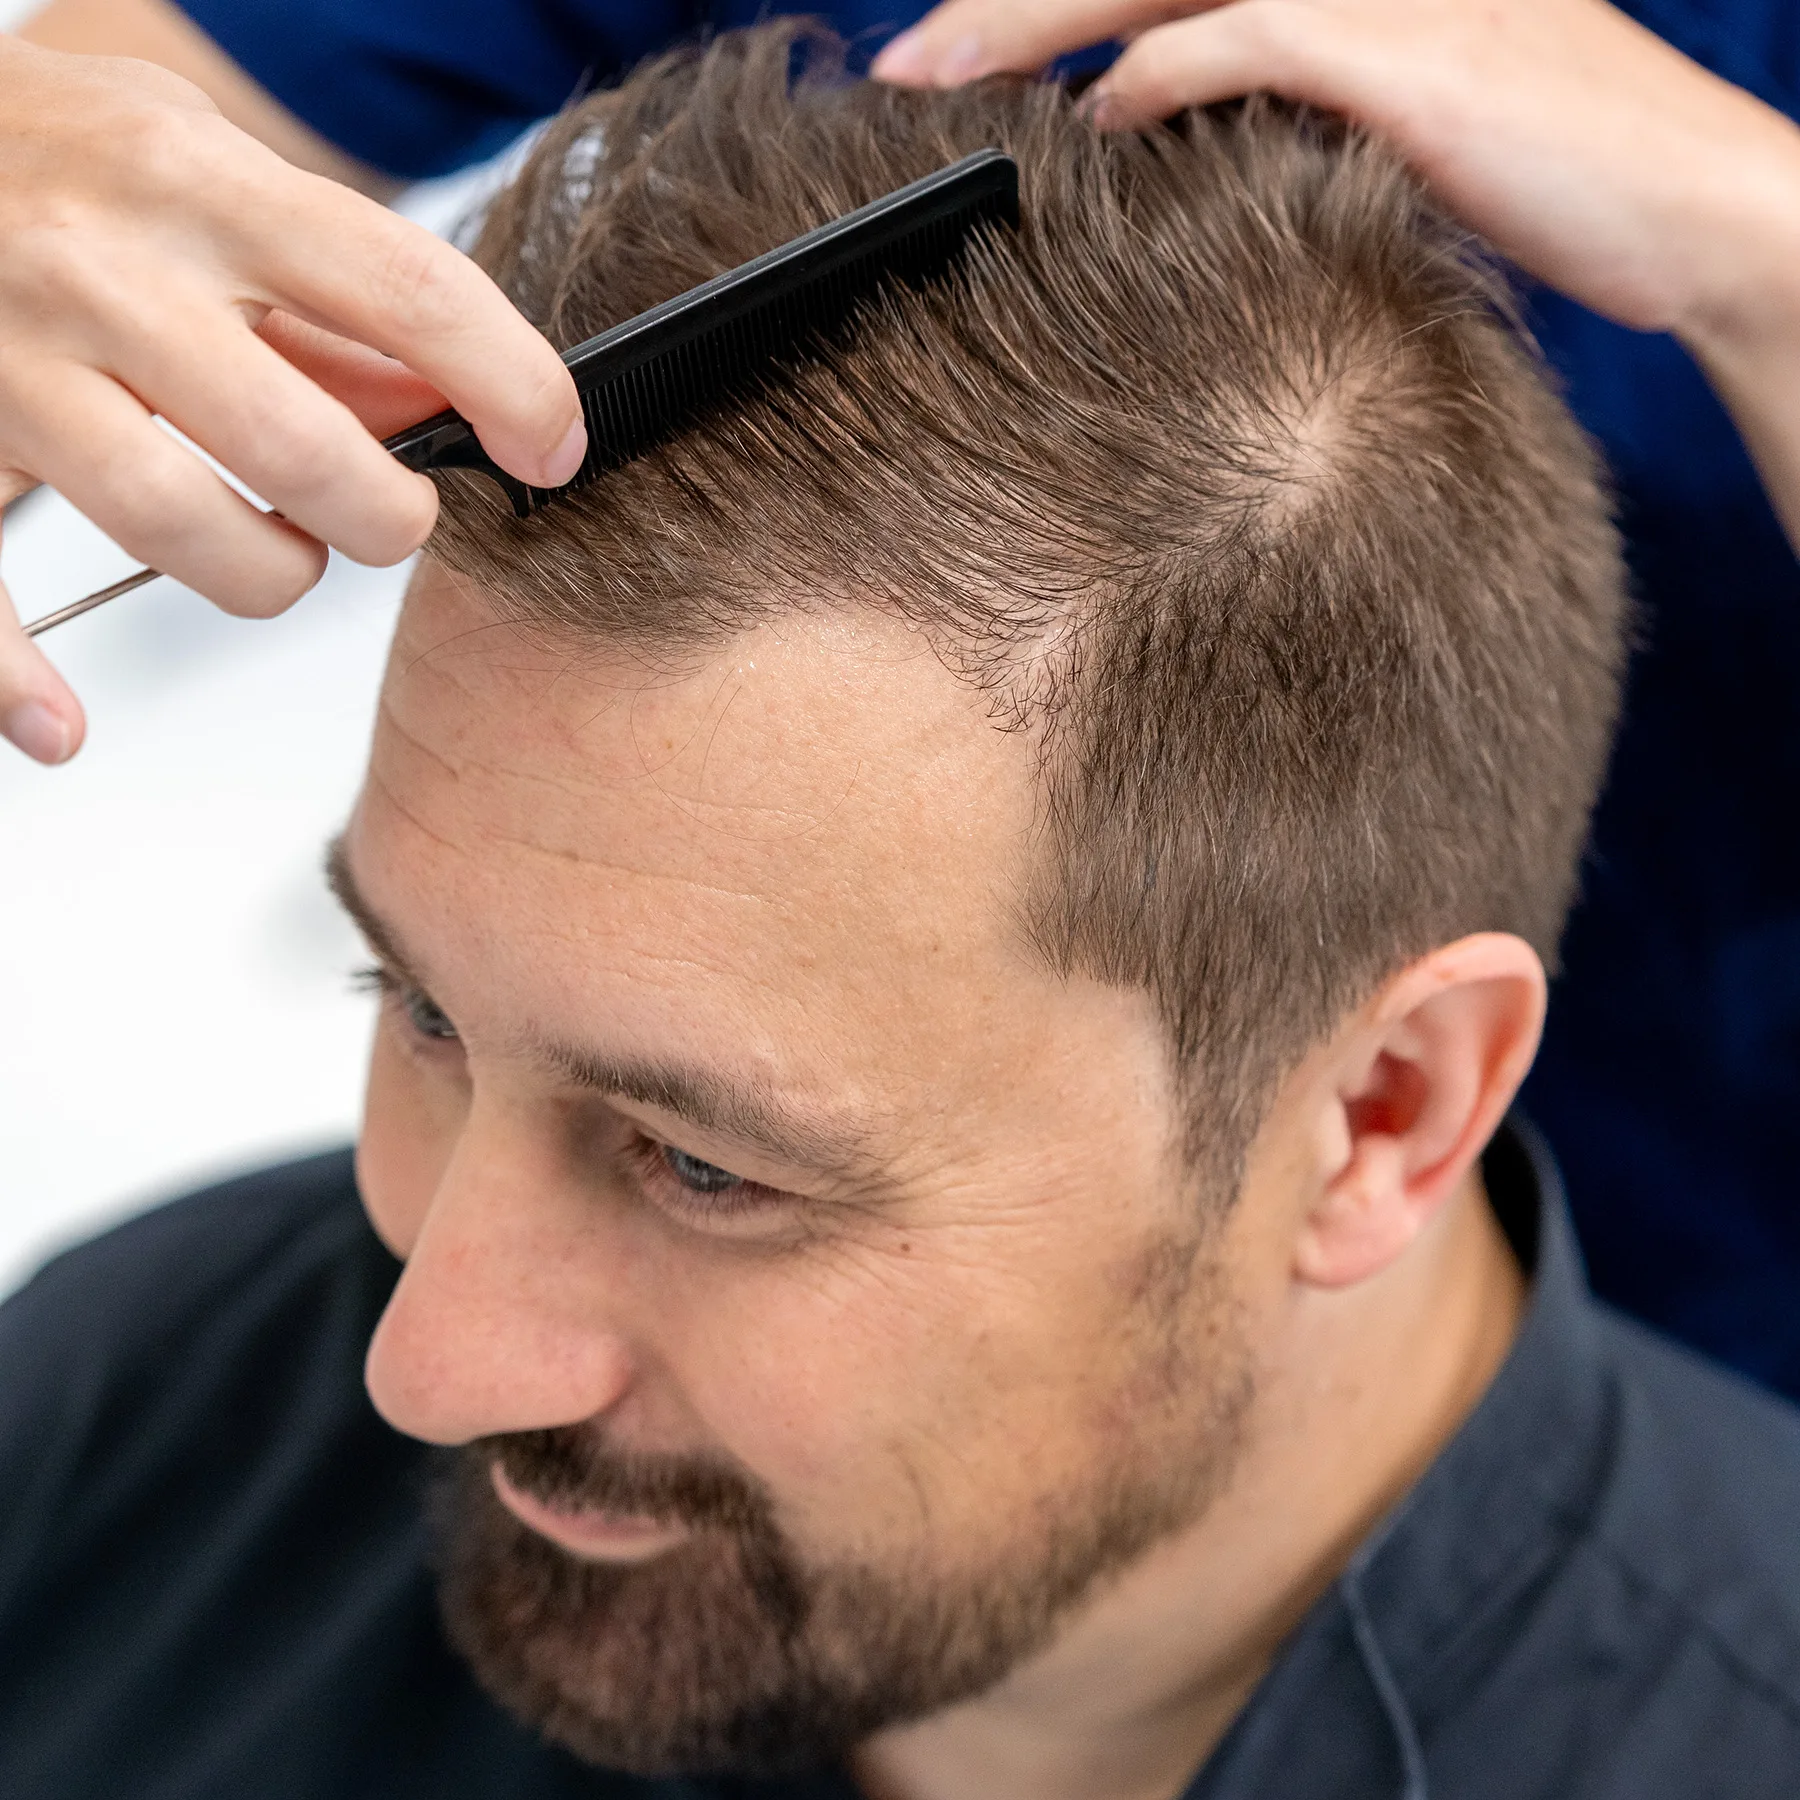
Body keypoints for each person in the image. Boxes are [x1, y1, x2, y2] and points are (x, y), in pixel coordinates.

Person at [7, 26, 1800, 1798]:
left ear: (1385, 1109)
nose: (428, 1366)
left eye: (705, 1167)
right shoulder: (147, 1437)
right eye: (422, 1013)